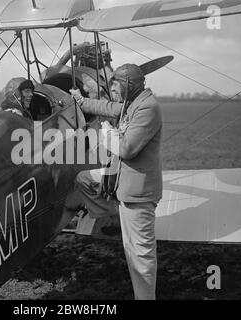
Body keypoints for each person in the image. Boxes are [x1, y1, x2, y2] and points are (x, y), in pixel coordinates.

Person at [69, 63, 163, 300]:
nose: (113, 89)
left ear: (129, 85)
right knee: (84, 179)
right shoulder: (134, 102)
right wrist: (81, 101)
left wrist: (107, 132)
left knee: (140, 256)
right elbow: (109, 106)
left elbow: (127, 149)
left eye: (116, 84)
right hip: (125, 184)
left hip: (138, 193)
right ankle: (114, 214)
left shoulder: (148, 108)